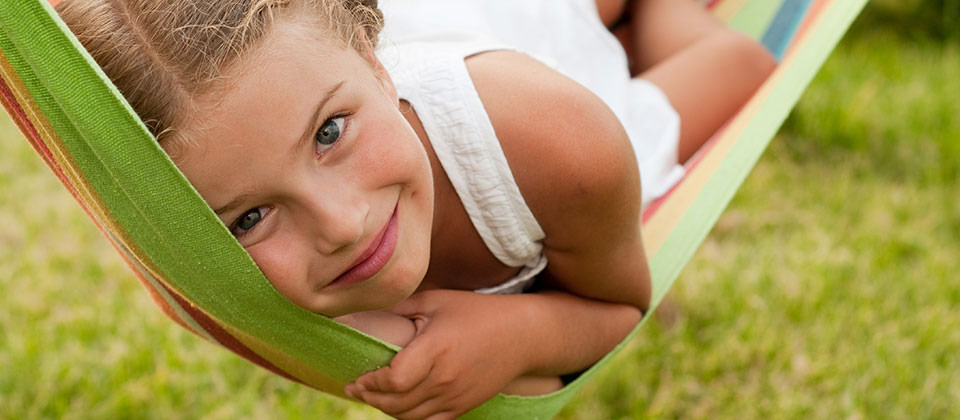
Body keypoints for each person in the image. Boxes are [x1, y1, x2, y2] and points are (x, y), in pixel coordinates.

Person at [55, 0, 775, 418]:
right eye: (249, 218)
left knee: (737, 64)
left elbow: (621, 304)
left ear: (374, 60)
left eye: (331, 133)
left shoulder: (557, 139)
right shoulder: (212, 284)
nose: (341, 226)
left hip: (524, 49)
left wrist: (521, 334)